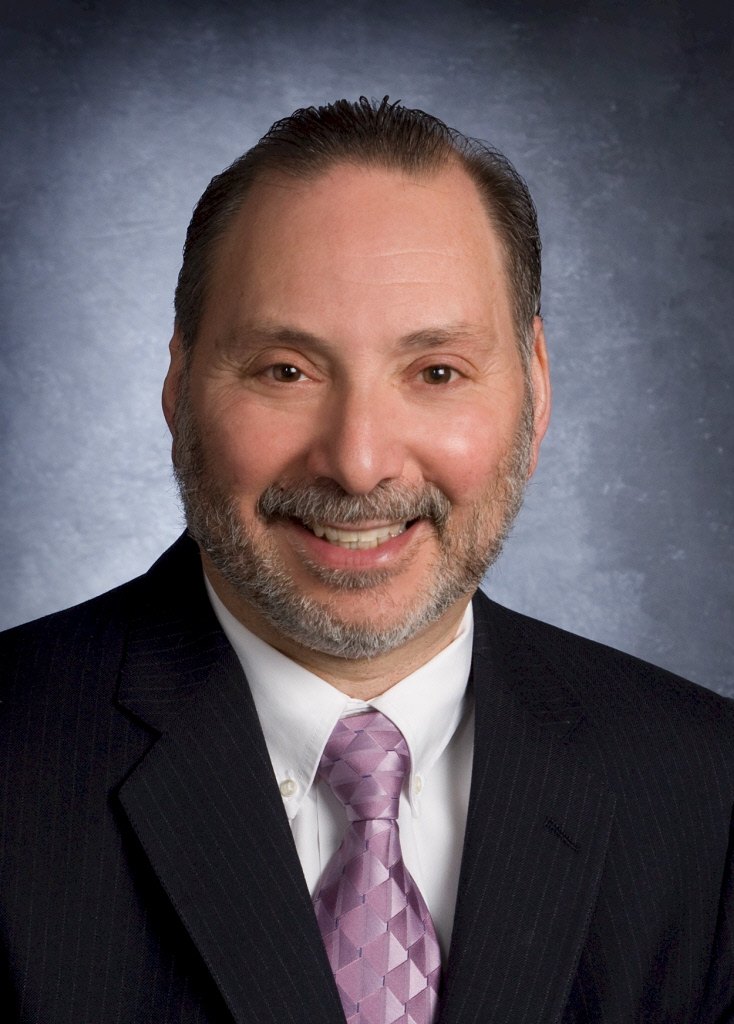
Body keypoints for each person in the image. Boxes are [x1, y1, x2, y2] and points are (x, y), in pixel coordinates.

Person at [1, 97, 732, 1024]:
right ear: (179, 386)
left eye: (437, 372)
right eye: (286, 371)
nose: (358, 462)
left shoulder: (708, 798)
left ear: (537, 387)